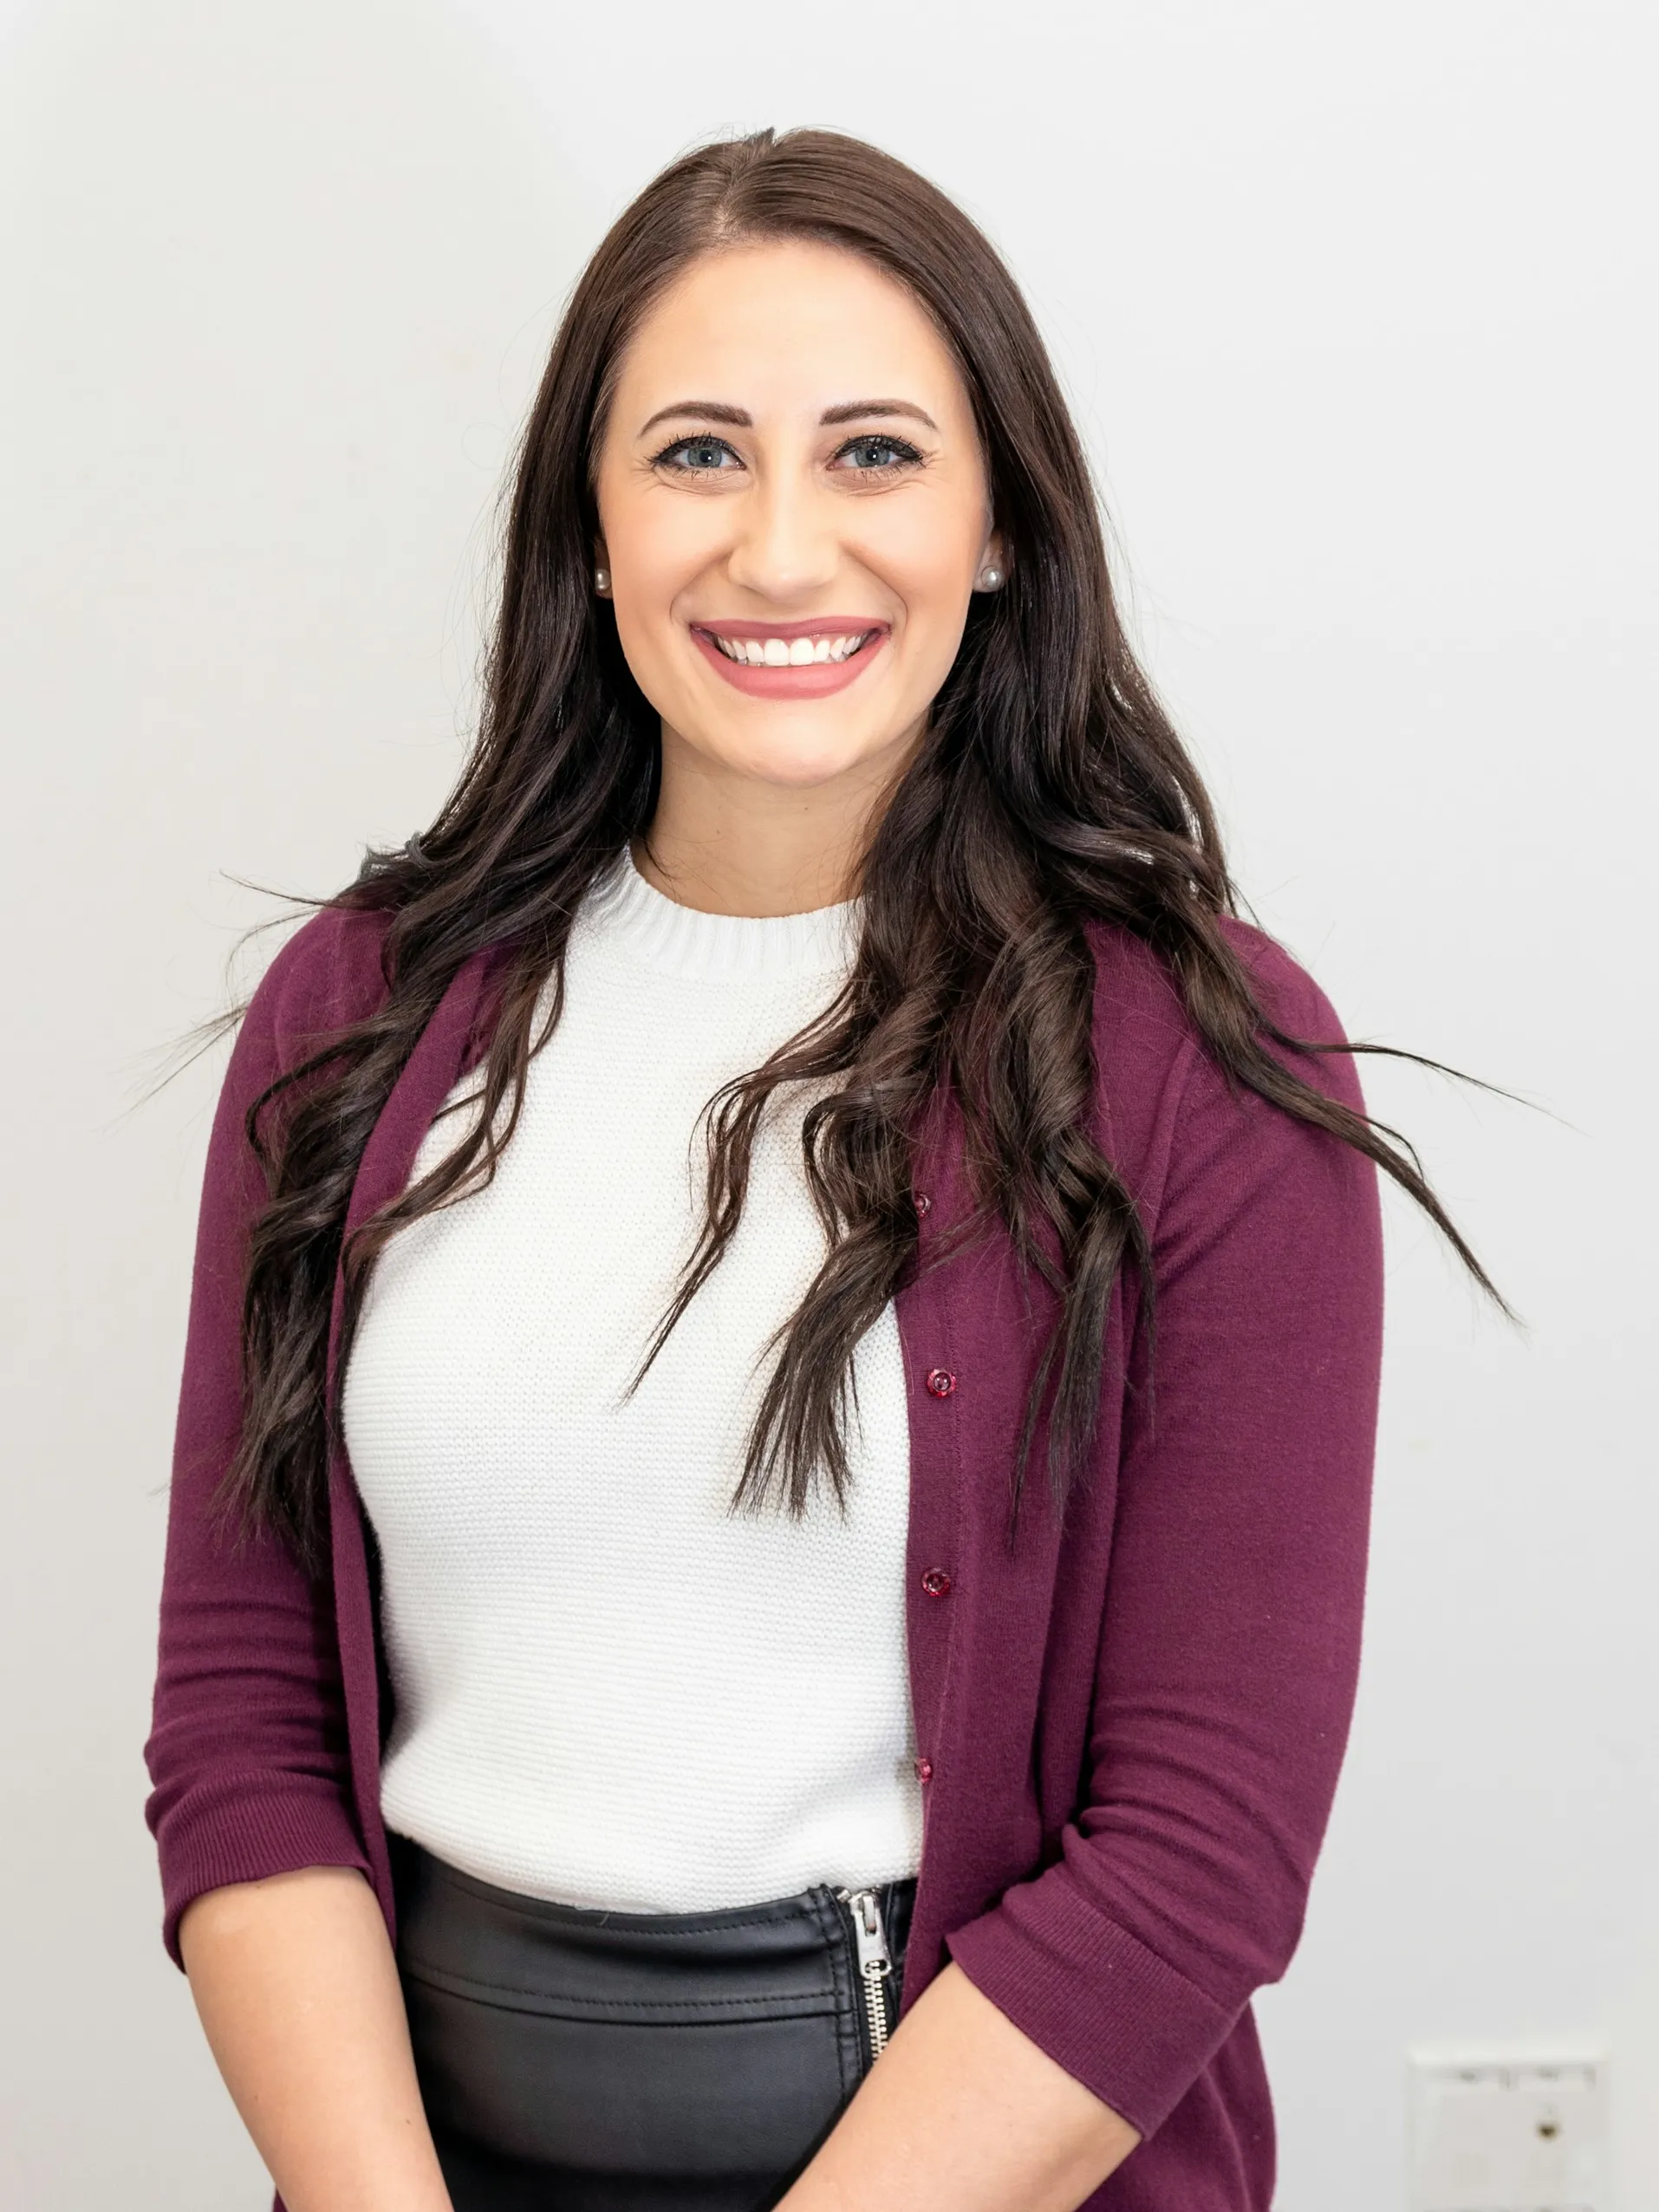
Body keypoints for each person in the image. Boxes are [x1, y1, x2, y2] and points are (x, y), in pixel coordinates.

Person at [146, 127, 1487, 2212]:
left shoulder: (1205, 1059)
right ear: (586, 529)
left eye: (873, 455)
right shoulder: (358, 1009)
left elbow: (1201, 1851)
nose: (780, 552)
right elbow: (241, 1736)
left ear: (1000, 529)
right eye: (696, 454)